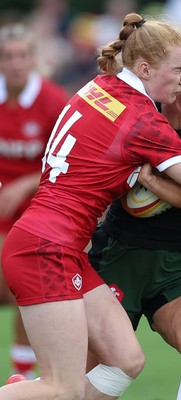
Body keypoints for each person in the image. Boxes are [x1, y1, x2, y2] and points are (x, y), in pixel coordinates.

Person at [0, 13, 181, 400]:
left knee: (125, 359)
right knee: (61, 388)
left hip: (58, 243)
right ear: (145, 67)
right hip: (46, 248)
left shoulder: (99, 85)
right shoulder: (144, 120)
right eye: (178, 69)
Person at [88, 40, 181, 400]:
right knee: (94, 370)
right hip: (118, 256)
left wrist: (150, 180)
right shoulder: (137, 118)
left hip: (180, 261)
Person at [0, 23, 68, 379]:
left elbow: (65, 163)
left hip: (35, 213)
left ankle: (21, 375)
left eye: (22, 55)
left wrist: (24, 183)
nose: (15, 63)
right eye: (8, 56)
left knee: (21, 292)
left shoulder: (52, 101)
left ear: (33, 59)